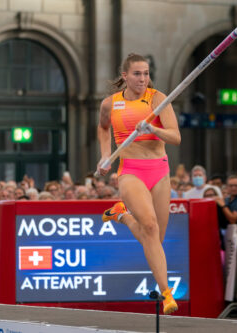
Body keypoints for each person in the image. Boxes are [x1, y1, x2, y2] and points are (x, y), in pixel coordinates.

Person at [96, 53, 180, 314]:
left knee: (154, 237)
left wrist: (153, 129)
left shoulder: (157, 99)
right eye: (137, 74)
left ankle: (122, 215)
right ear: (125, 76)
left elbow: (175, 137)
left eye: (145, 73)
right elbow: (102, 128)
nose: (143, 78)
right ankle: (167, 294)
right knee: (151, 226)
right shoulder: (110, 104)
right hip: (130, 171)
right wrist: (105, 155)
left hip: (160, 170)